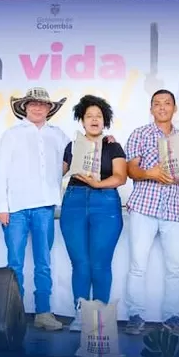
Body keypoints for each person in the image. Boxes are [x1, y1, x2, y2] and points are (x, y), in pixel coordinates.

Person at [0, 87, 69, 331]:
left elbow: (79, 155)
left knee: (43, 263)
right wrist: (2, 207)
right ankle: (13, 314)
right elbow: (1, 171)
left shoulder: (59, 135)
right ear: (24, 107)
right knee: (14, 263)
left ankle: (43, 313)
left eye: (42, 104)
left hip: (45, 206)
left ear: (49, 108)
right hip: (15, 207)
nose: (37, 107)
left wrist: (106, 141)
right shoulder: (12, 134)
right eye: (32, 103)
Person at [124, 89, 179, 336]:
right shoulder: (140, 134)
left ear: (174, 108)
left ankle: (172, 318)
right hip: (144, 206)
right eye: (157, 104)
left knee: (176, 268)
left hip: (174, 209)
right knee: (137, 266)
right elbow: (131, 171)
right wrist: (149, 173)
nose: (162, 107)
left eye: (167, 103)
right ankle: (135, 316)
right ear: (151, 108)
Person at [60, 95, 127, 331]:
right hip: (74, 202)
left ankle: (99, 318)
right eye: (89, 116)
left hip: (105, 203)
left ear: (105, 120)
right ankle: (80, 313)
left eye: (99, 116)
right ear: (82, 120)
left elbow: (120, 177)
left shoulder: (113, 146)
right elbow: (58, 173)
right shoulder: (72, 146)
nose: (94, 120)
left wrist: (97, 184)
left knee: (100, 264)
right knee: (80, 263)